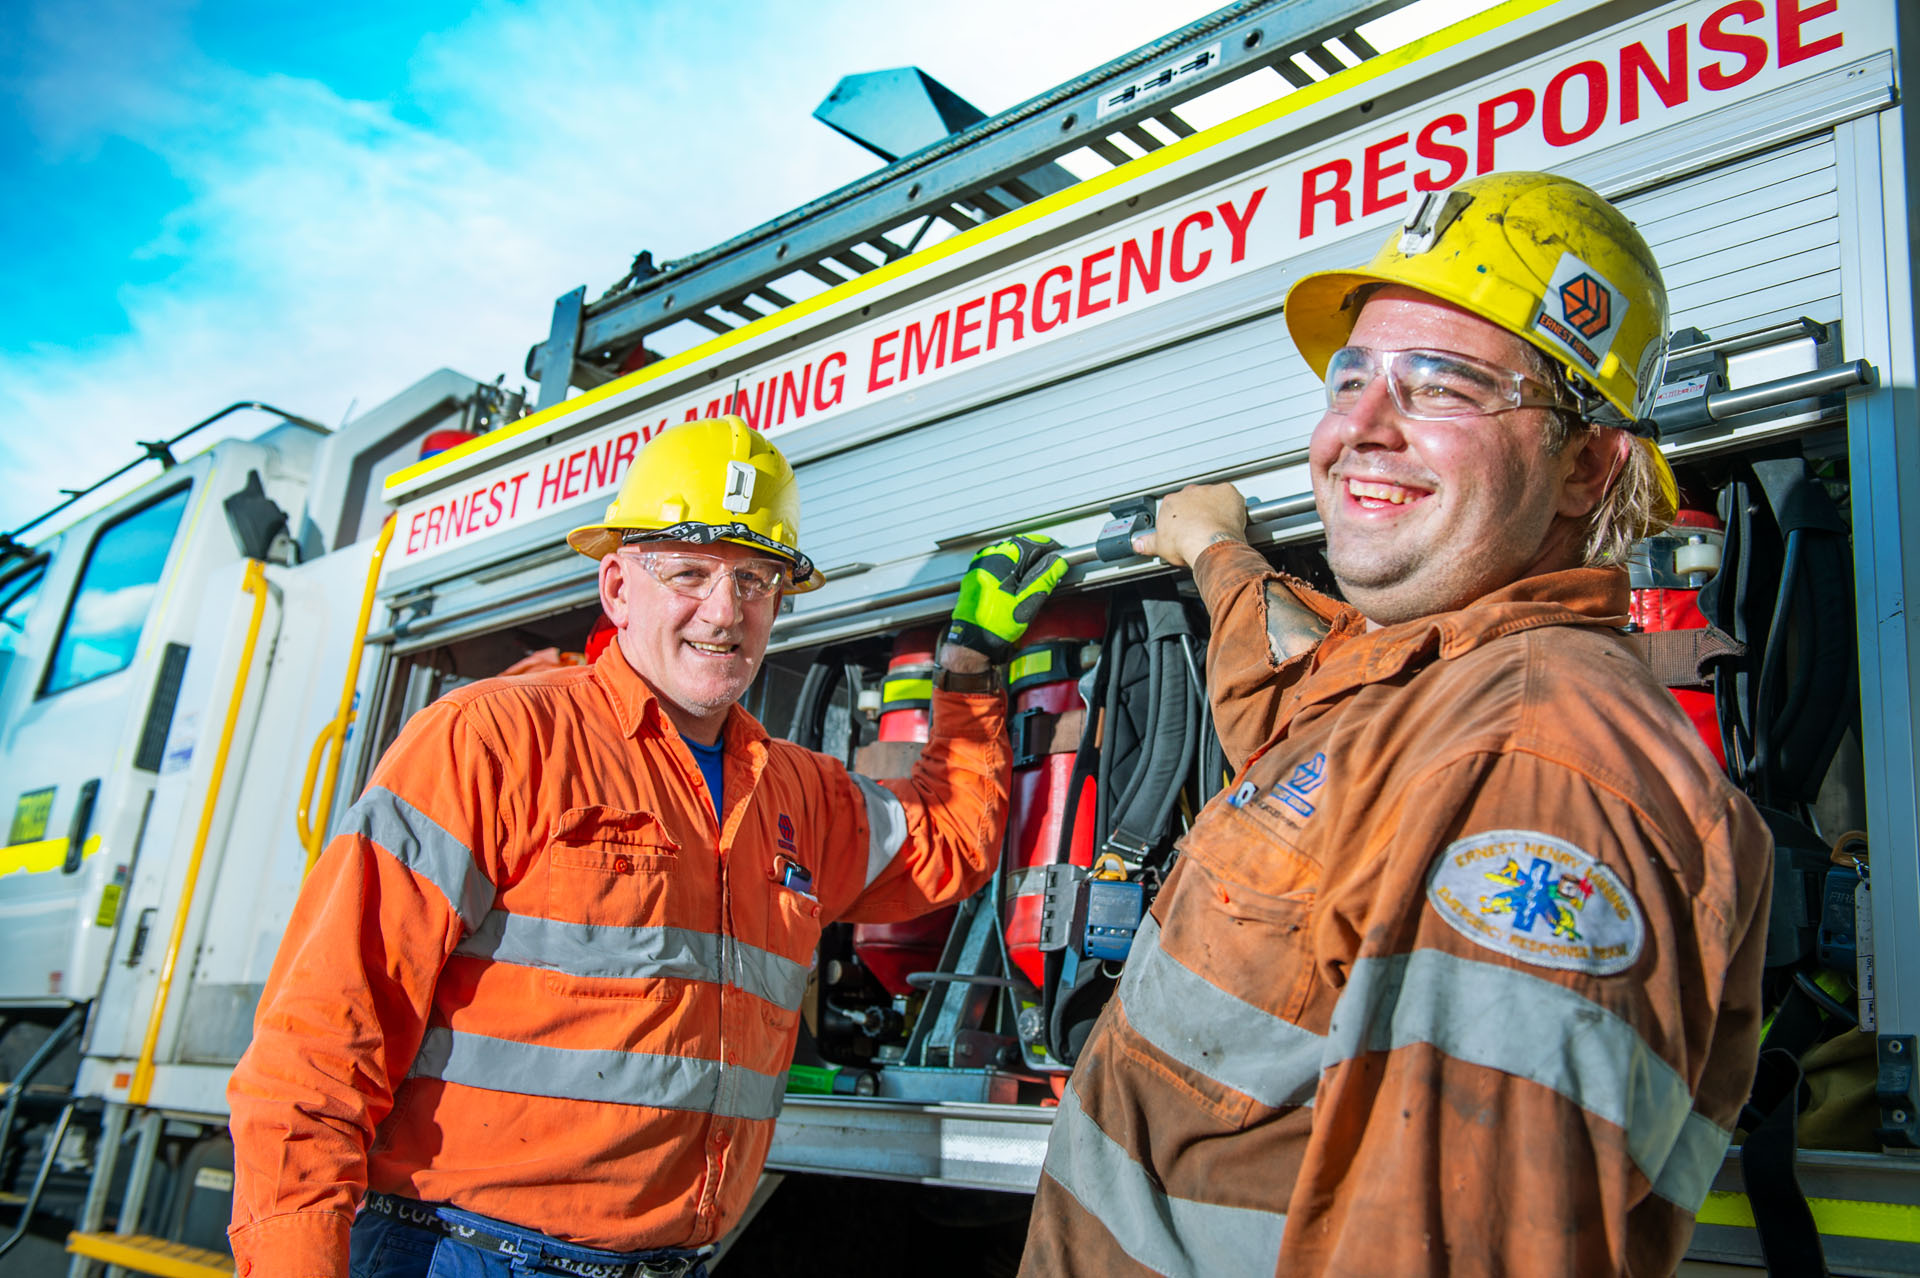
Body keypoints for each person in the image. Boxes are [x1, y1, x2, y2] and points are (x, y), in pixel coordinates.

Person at [1019, 172, 1772, 1275]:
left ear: (1584, 467)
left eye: (1444, 386)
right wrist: (1213, 548)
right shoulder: (1417, 685)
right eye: (1352, 376)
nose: (1359, 427)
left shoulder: (1528, 762)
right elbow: (1283, 705)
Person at [227, 416, 1065, 1278]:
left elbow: (947, 845)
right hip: (459, 1254)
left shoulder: (796, 794)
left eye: (756, 580)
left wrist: (966, 671)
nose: (724, 611)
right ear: (618, 587)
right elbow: (321, 1046)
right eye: (690, 572)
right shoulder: (491, 742)